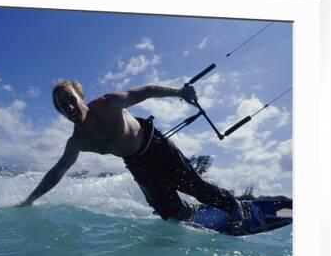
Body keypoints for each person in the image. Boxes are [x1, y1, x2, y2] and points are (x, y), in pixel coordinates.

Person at [16, 79, 243, 222]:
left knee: (193, 186)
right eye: (64, 107)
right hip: (135, 163)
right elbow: (58, 171)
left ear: (81, 97)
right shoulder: (77, 141)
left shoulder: (110, 103)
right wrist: (30, 199)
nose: (71, 108)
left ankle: (233, 205)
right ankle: (188, 212)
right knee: (167, 212)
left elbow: (146, 91)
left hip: (154, 145)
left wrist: (180, 93)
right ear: (61, 113)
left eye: (72, 100)